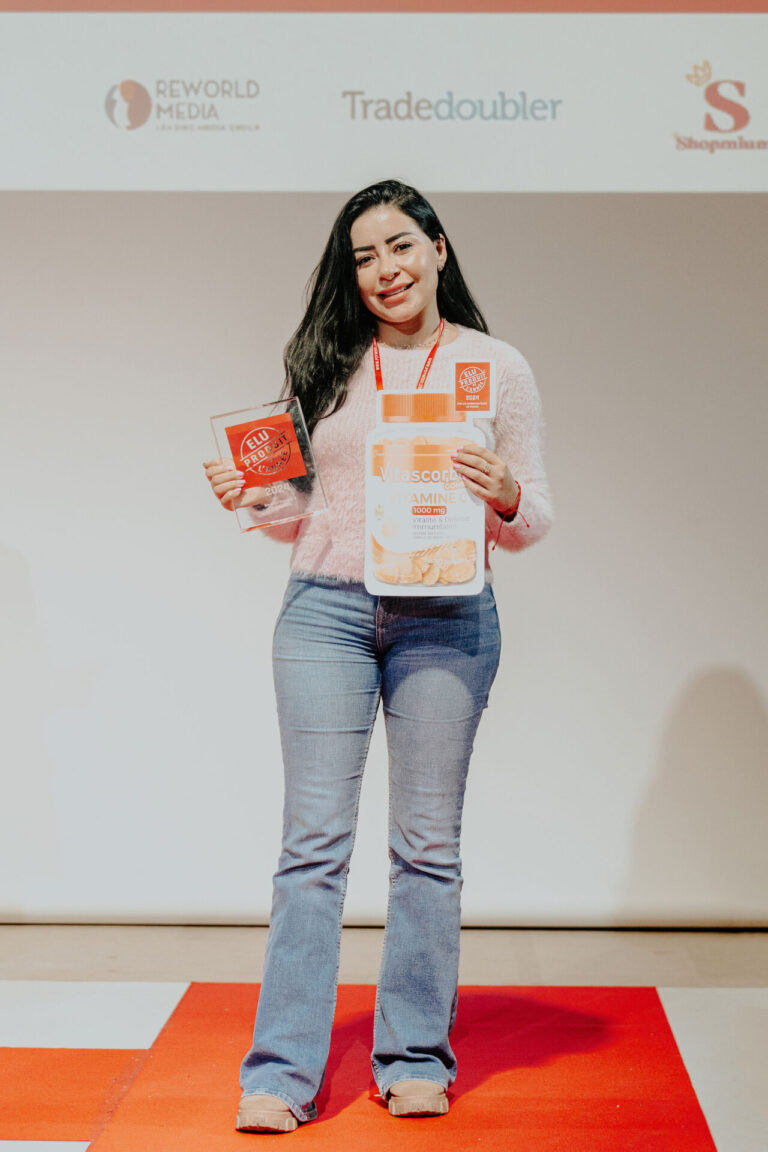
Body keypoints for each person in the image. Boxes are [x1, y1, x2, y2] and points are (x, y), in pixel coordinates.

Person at [203, 179, 553, 1133]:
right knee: (312, 847)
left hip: (447, 617)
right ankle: (281, 1073)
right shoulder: (325, 361)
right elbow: (295, 512)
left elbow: (531, 519)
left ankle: (414, 1057)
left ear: (439, 249)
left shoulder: (496, 367)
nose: (385, 270)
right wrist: (248, 492)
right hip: (325, 612)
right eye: (364, 257)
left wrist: (506, 490)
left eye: (400, 246)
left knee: (426, 848)